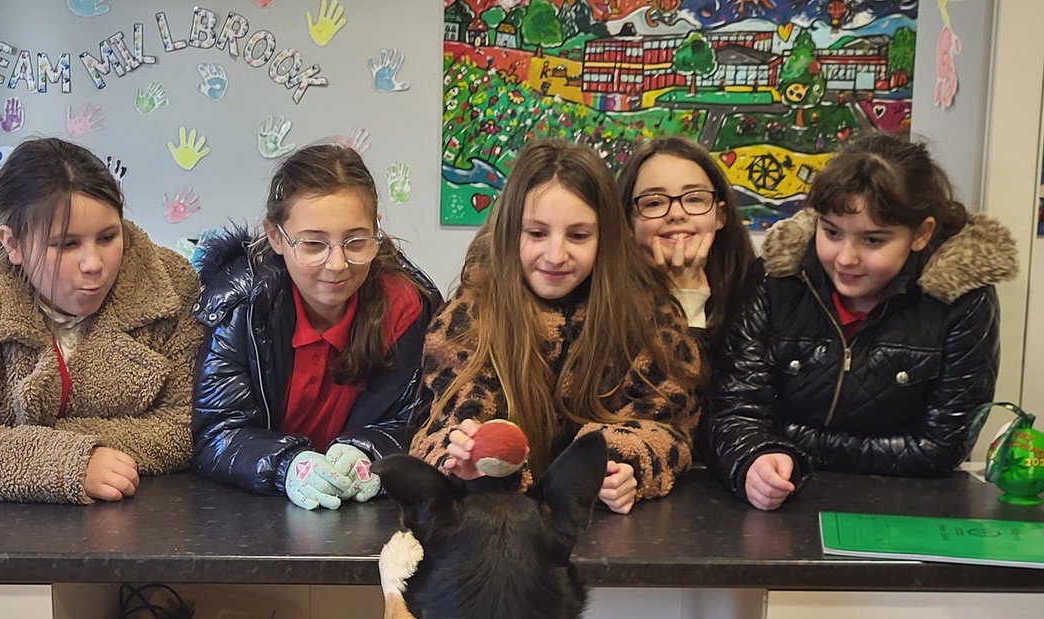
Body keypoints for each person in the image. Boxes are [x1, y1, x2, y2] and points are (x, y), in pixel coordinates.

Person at [708, 133, 1017, 511]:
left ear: (921, 234)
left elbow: (941, 446)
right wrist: (753, 458)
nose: (846, 259)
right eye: (831, 232)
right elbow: (737, 409)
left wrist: (788, 439)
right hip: (785, 500)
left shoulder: (961, 298)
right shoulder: (777, 278)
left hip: (903, 512)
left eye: (872, 240)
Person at [0, 137, 202, 504]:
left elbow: (188, 426)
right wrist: (67, 462)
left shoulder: (172, 284)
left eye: (108, 237)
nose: (94, 264)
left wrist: (32, 439)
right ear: (13, 244)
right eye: (66, 245)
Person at [410, 139, 703, 514]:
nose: (555, 255)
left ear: (606, 238)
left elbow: (667, 424)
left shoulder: (646, 315)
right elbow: (442, 422)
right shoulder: (471, 318)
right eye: (536, 233)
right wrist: (466, 459)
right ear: (510, 231)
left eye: (578, 236)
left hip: (604, 532)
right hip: (500, 534)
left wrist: (620, 465)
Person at [190, 143, 441, 510]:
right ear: (276, 237)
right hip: (254, 508)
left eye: (356, 241)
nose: (337, 264)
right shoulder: (243, 306)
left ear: (377, 232)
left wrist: (365, 451)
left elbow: (410, 422)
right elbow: (216, 433)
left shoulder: (403, 308)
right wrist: (286, 465)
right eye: (312, 244)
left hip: (362, 509)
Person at [616, 135, 758, 375]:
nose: (676, 213)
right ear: (629, 222)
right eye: (654, 203)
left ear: (720, 215)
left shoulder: (755, 291)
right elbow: (669, 399)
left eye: (694, 199)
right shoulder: (604, 301)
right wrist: (684, 299)